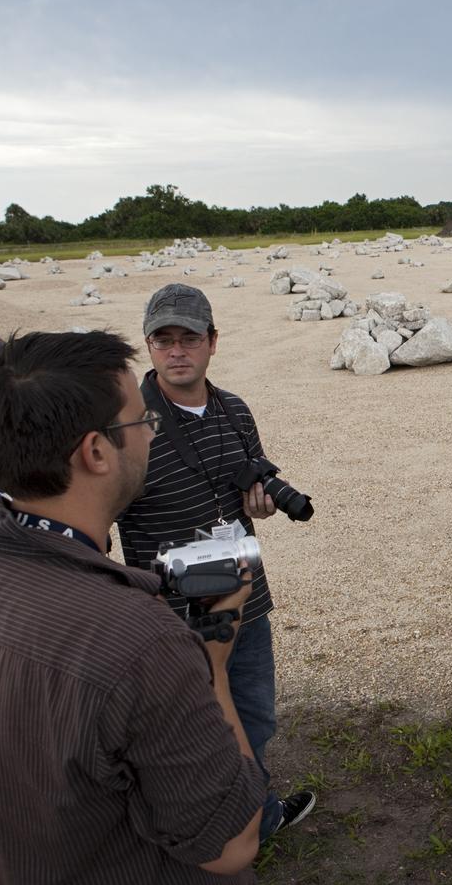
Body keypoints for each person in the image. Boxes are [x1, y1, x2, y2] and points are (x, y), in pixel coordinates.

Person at [0, 330, 267, 883]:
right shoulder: (142, 638)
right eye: (144, 423)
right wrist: (211, 663)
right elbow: (231, 845)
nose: (150, 435)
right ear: (96, 452)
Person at [116, 283, 313, 836]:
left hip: (244, 594)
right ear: (148, 348)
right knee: (183, 726)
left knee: (254, 714)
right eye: (164, 340)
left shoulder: (235, 409)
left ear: (212, 342)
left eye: (190, 338)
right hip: (168, 609)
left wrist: (265, 507)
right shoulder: (125, 422)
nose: (177, 351)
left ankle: (258, 814)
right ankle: (197, 829)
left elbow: (252, 481)